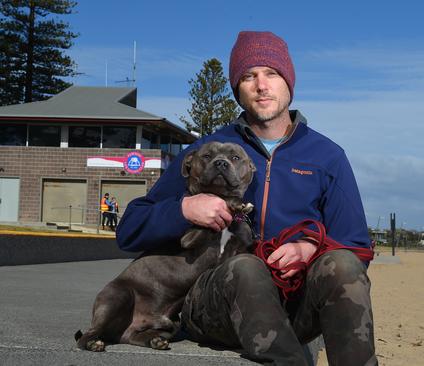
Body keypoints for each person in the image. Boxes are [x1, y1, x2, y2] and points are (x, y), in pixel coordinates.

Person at [116, 31, 376, 365]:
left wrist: (310, 248)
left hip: (295, 308)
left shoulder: (328, 157)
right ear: (238, 88)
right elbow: (129, 229)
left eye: (272, 73)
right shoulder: (207, 152)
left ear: (289, 82)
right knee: (245, 266)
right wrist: (184, 208)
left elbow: (356, 249)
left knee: (342, 264)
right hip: (214, 307)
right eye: (249, 76)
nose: (261, 85)